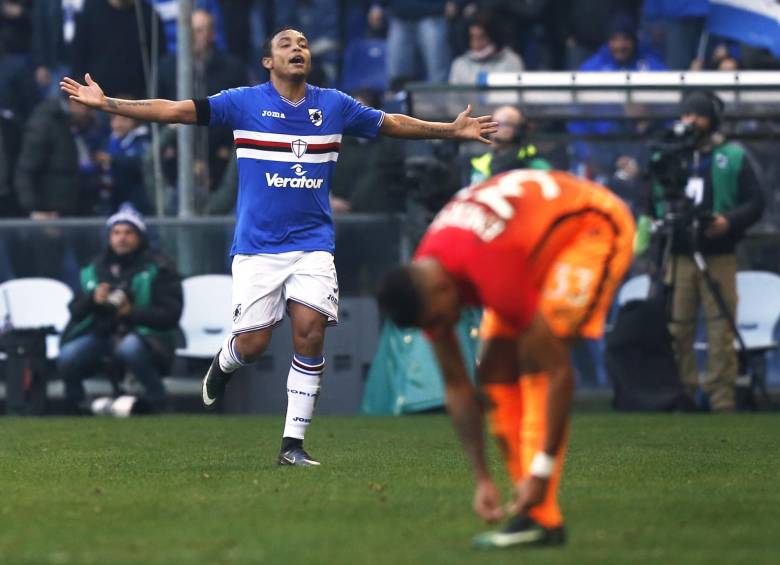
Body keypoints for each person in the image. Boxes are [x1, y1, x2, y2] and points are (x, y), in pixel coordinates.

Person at [60, 26, 497, 466]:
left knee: (309, 333)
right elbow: (173, 110)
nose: (298, 49)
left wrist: (450, 130)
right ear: (268, 61)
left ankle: (292, 445)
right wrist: (109, 103)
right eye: (286, 45)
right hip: (258, 247)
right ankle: (226, 360)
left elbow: (390, 123)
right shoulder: (243, 102)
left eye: (304, 44)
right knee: (252, 345)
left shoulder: (334, 105)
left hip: (313, 245)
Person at [377, 169, 635, 547]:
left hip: (592, 226)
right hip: (528, 243)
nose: (443, 327)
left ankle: (540, 507)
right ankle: (531, 511)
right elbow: (457, 386)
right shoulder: (426, 279)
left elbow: (560, 372)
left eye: (436, 320)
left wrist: (544, 469)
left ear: (440, 288)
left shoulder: (487, 266)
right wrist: (481, 477)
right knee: (495, 371)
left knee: (536, 357)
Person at [642, 90, 764, 412]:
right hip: (679, 254)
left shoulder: (733, 155)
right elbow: (652, 197)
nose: (690, 121)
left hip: (718, 252)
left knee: (721, 325)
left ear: (712, 118)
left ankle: (720, 397)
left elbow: (756, 202)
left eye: (697, 115)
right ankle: (683, 392)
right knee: (677, 325)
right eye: (685, 115)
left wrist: (729, 221)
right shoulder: (672, 154)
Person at [58, 204, 183, 414]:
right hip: (101, 333)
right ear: (109, 236)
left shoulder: (159, 267)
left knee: (129, 348)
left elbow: (171, 314)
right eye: (116, 232)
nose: (121, 238)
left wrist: (130, 312)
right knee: (69, 355)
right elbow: (75, 311)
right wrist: (92, 299)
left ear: (140, 236)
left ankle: (158, 399)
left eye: (128, 232)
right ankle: (76, 405)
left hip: (146, 337)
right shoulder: (95, 268)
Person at [467, 105, 549, 186]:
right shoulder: (480, 165)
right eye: (492, 123)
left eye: (501, 124)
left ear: (519, 130)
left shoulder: (535, 165)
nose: (493, 129)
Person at [448, 13, 524, 85]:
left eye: (482, 37)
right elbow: (453, 97)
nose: (476, 43)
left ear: (493, 36)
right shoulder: (459, 65)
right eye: (472, 38)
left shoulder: (511, 61)